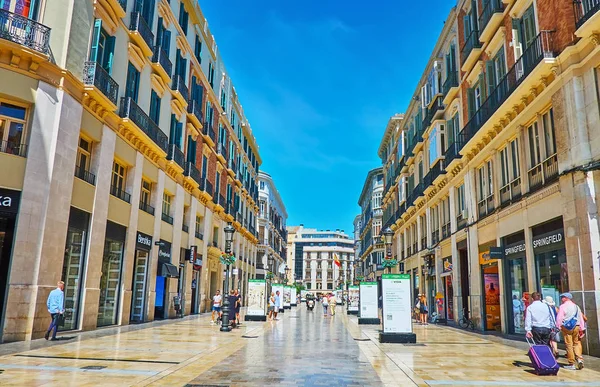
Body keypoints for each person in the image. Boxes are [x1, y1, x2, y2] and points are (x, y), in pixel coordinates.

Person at [556, 292, 586, 370]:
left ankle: (571, 363)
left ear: (566, 298)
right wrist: (582, 328)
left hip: (567, 327)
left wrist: (558, 326)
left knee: (569, 344)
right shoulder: (576, 306)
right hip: (577, 326)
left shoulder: (562, 306)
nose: (561, 299)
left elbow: (559, 318)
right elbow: (581, 318)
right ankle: (579, 359)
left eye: (562, 297)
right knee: (576, 343)